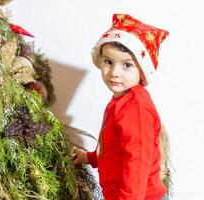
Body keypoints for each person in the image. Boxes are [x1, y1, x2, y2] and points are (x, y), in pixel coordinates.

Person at [72, 14, 169, 200]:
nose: (114, 73)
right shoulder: (120, 100)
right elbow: (115, 150)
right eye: (109, 62)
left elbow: (137, 164)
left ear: (142, 70)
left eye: (127, 65)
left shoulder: (136, 108)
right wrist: (90, 158)